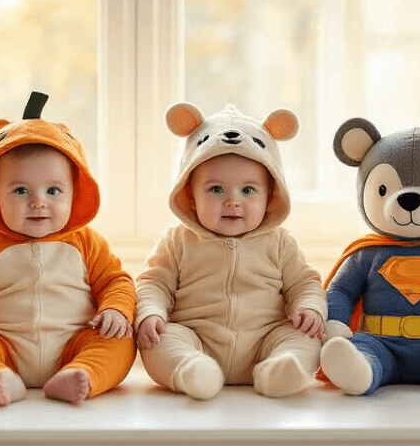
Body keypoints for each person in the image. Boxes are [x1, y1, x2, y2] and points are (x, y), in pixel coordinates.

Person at [0, 91, 136, 406]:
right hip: (0, 344)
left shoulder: (87, 242)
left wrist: (115, 309)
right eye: (20, 191)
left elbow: (115, 281)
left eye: (53, 190)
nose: (38, 202)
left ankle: (82, 374)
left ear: (74, 193)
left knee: (120, 341)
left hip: (73, 345)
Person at [135, 102, 326, 400]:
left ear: (270, 197)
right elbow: (153, 283)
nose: (232, 201)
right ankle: (193, 371)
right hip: (196, 339)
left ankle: (279, 371)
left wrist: (310, 309)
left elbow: (305, 283)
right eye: (216, 189)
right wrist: (151, 313)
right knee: (158, 339)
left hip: (265, 340)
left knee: (307, 337)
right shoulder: (178, 241)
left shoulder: (280, 242)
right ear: (190, 195)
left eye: (248, 190)